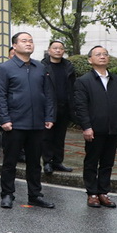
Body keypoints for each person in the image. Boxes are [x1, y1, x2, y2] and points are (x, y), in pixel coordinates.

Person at [0, 32, 56, 209]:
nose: (28, 44)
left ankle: (35, 194)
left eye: (30, 41)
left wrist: (49, 116)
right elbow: (1, 95)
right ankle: (7, 194)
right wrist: (4, 119)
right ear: (14, 46)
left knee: (34, 162)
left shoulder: (40, 67)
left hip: (37, 122)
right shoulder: (6, 68)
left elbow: (48, 94)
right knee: (10, 162)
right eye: (24, 41)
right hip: (14, 123)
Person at [73, 46, 117, 209]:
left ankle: (103, 192)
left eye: (105, 54)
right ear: (90, 60)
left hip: (114, 129)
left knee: (108, 162)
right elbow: (81, 106)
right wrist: (86, 127)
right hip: (94, 129)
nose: (102, 57)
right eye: (98, 54)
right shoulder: (83, 81)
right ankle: (92, 193)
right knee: (91, 161)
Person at [42, 40, 76, 174]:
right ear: (49, 50)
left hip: (64, 106)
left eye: (60, 48)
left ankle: (58, 161)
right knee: (47, 136)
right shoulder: (42, 66)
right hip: (48, 107)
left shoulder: (68, 66)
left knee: (60, 137)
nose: (58, 50)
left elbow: (73, 87)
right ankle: (47, 162)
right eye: (55, 48)